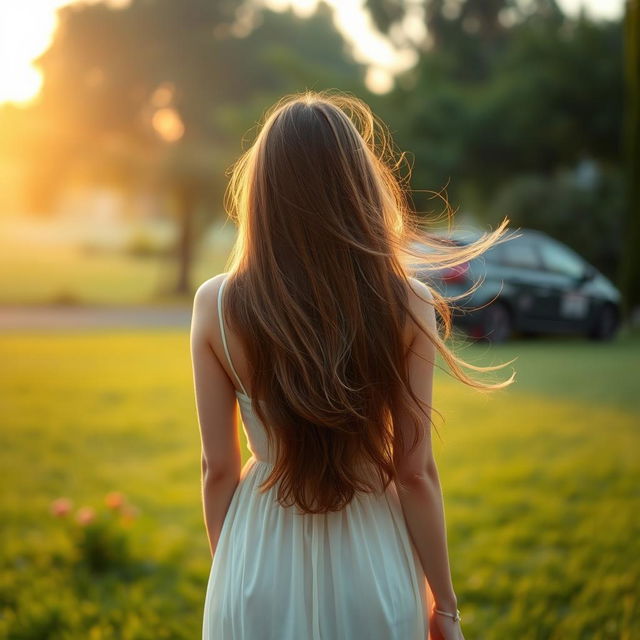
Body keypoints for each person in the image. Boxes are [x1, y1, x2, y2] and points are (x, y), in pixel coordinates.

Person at [190, 89, 514, 640]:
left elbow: (217, 470)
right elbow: (415, 472)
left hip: (257, 552)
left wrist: (236, 565)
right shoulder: (407, 300)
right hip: (374, 555)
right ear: (357, 188)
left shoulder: (217, 304)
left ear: (262, 195)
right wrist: (446, 606)